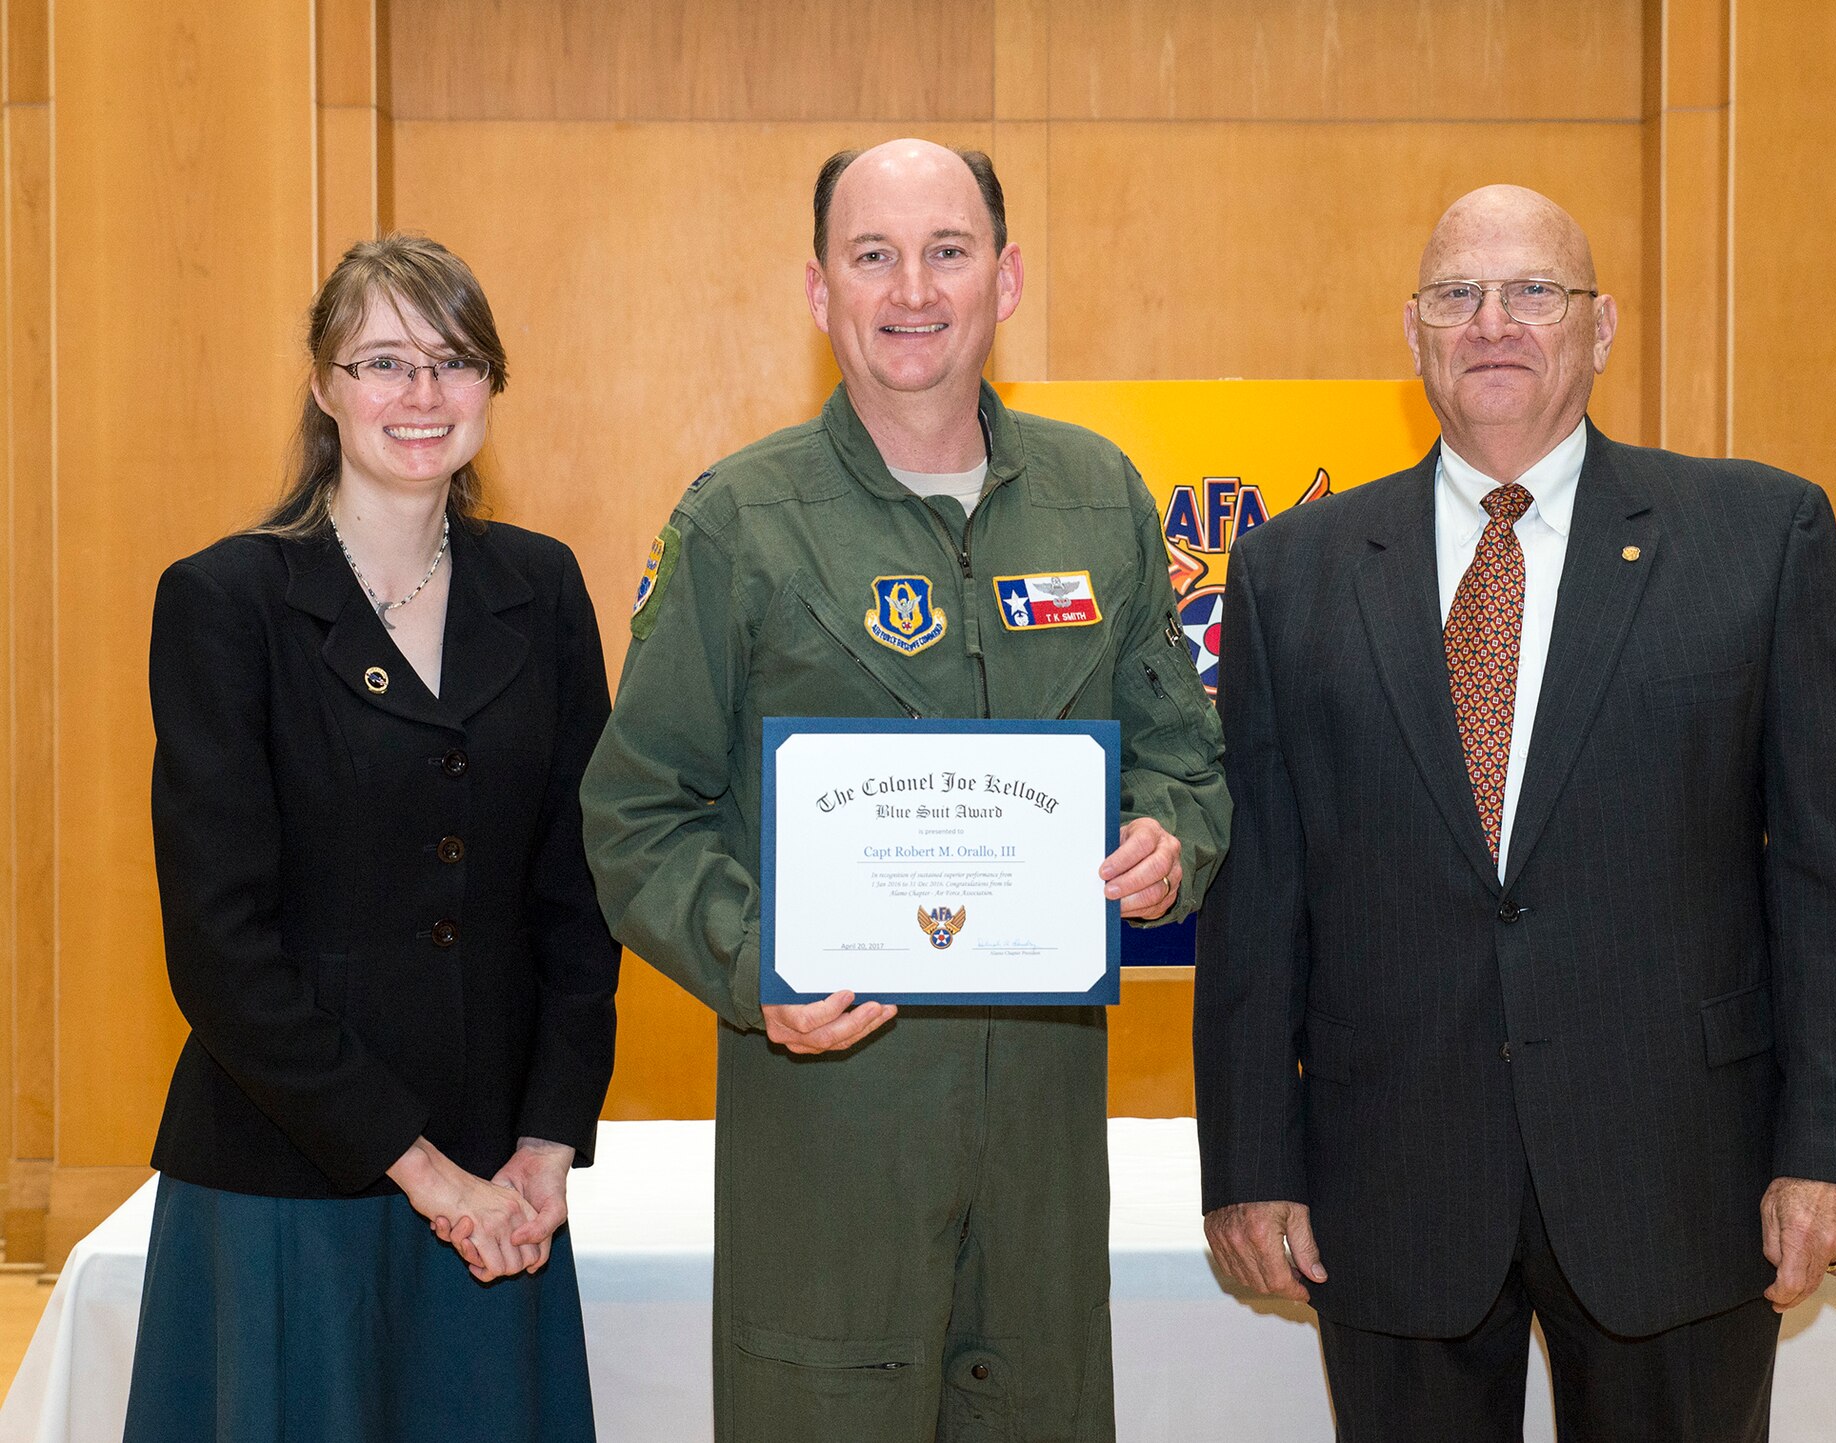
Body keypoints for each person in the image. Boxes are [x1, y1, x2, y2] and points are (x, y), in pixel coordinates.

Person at [1192, 185, 1836, 1442]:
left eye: (1532, 291)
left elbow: (1833, 878)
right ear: (1412, 333)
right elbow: (1258, 897)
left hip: (1682, 1182)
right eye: (1456, 296)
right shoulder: (1291, 570)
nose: (1492, 323)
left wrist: (1833, 1148)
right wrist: (1248, 1165)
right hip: (1391, 1182)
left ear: (1600, 326)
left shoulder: (1757, 535)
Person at [580, 139, 1229, 1441]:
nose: (912, 288)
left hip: (1042, 1134)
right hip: (828, 1128)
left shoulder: (1099, 498)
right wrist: (755, 959)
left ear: (1008, 276)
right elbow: (636, 811)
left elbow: (1183, 752)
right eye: (871, 255)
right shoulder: (740, 521)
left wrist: (1172, 840)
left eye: (948, 250)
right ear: (820, 293)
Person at [127, 233, 620, 1443]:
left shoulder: (541, 587)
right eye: (384, 362)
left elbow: (581, 890)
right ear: (322, 386)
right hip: (287, 1179)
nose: (421, 397)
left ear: (491, 387)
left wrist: (546, 1143)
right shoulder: (224, 601)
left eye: (454, 363)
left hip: (502, 1185)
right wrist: (424, 1172)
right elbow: (218, 948)